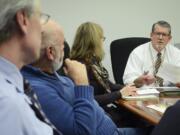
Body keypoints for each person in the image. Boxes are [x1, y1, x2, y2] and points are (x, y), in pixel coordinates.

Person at [22, 20, 150, 135]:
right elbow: (83, 130)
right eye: (62, 44)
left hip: (109, 127)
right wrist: (82, 84)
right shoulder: (40, 90)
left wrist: (133, 86)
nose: (66, 49)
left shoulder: (60, 78)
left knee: (153, 126)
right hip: (108, 130)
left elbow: (98, 98)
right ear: (50, 52)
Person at [0, 0, 55, 135]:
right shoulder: (8, 104)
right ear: (23, 19)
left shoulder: (15, 86)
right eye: (40, 17)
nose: (42, 30)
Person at [70, 22, 139, 126]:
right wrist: (119, 94)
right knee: (141, 122)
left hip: (103, 111)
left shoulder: (93, 62)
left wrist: (132, 88)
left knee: (137, 117)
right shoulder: (80, 66)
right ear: (93, 41)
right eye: (102, 38)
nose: (103, 42)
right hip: (97, 117)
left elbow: (109, 85)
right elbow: (89, 100)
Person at [123, 20, 180, 88]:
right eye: (158, 34)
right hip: (144, 94)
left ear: (169, 38)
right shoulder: (137, 52)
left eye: (164, 35)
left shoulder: (176, 53)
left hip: (169, 94)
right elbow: (128, 80)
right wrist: (139, 80)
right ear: (151, 35)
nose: (160, 38)